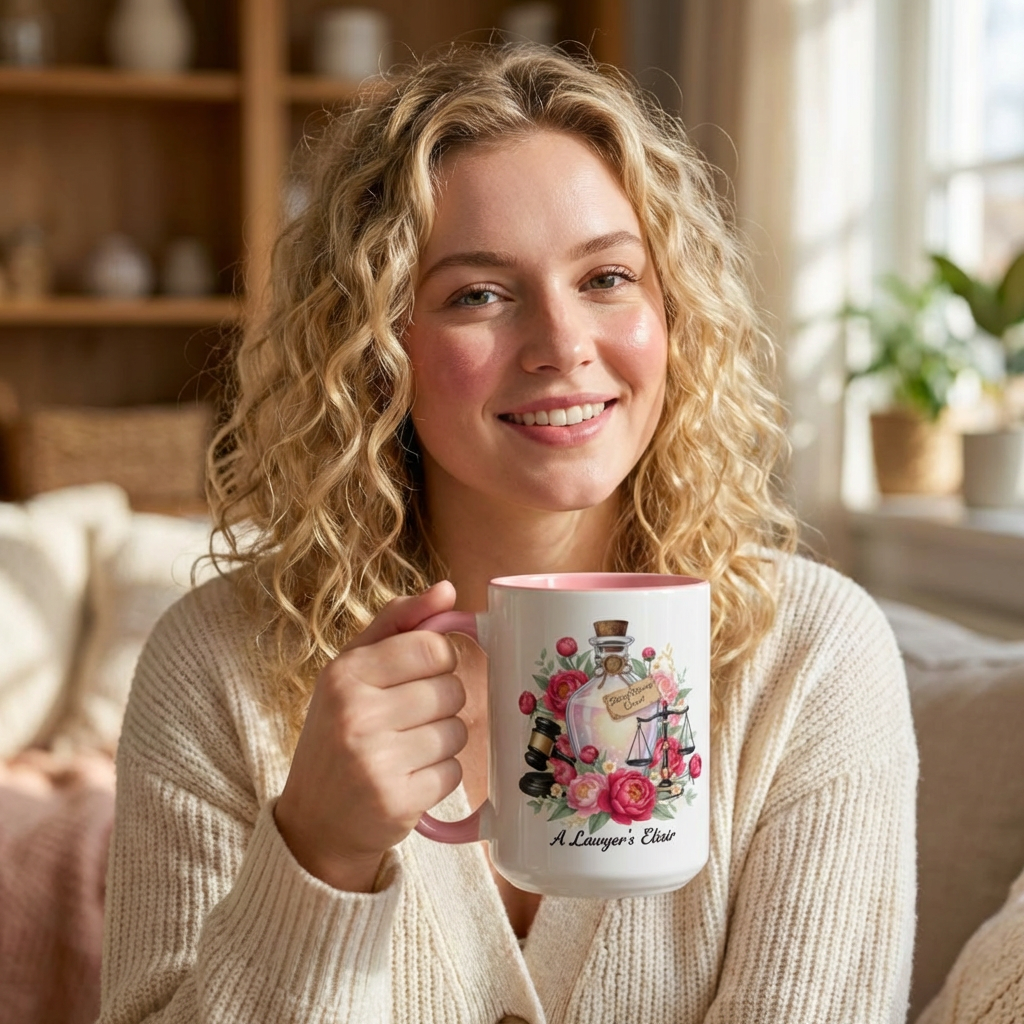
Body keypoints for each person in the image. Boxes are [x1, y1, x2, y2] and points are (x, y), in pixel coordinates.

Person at [98, 44, 917, 1024]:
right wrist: (315, 855)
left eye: (607, 276)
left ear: (676, 315)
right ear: (372, 348)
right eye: (478, 294)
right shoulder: (217, 665)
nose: (563, 343)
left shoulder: (812, 658)